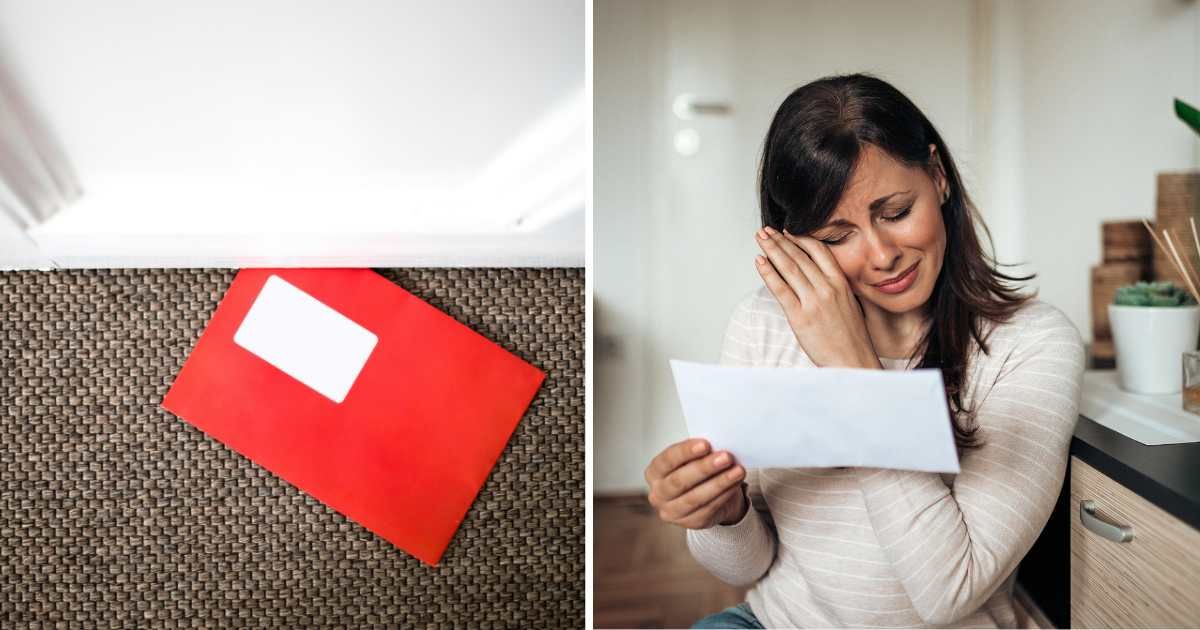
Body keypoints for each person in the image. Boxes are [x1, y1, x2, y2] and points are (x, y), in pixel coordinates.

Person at [643, 73, 1085, 628]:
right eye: (836, 236)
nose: (881, 255)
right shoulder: (762, 324)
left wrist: (854, 371)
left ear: (938, 176)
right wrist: (722, 513)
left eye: (896, 212)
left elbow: (949, 591)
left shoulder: (1032, 342)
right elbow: (747, 566)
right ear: (794, 241)